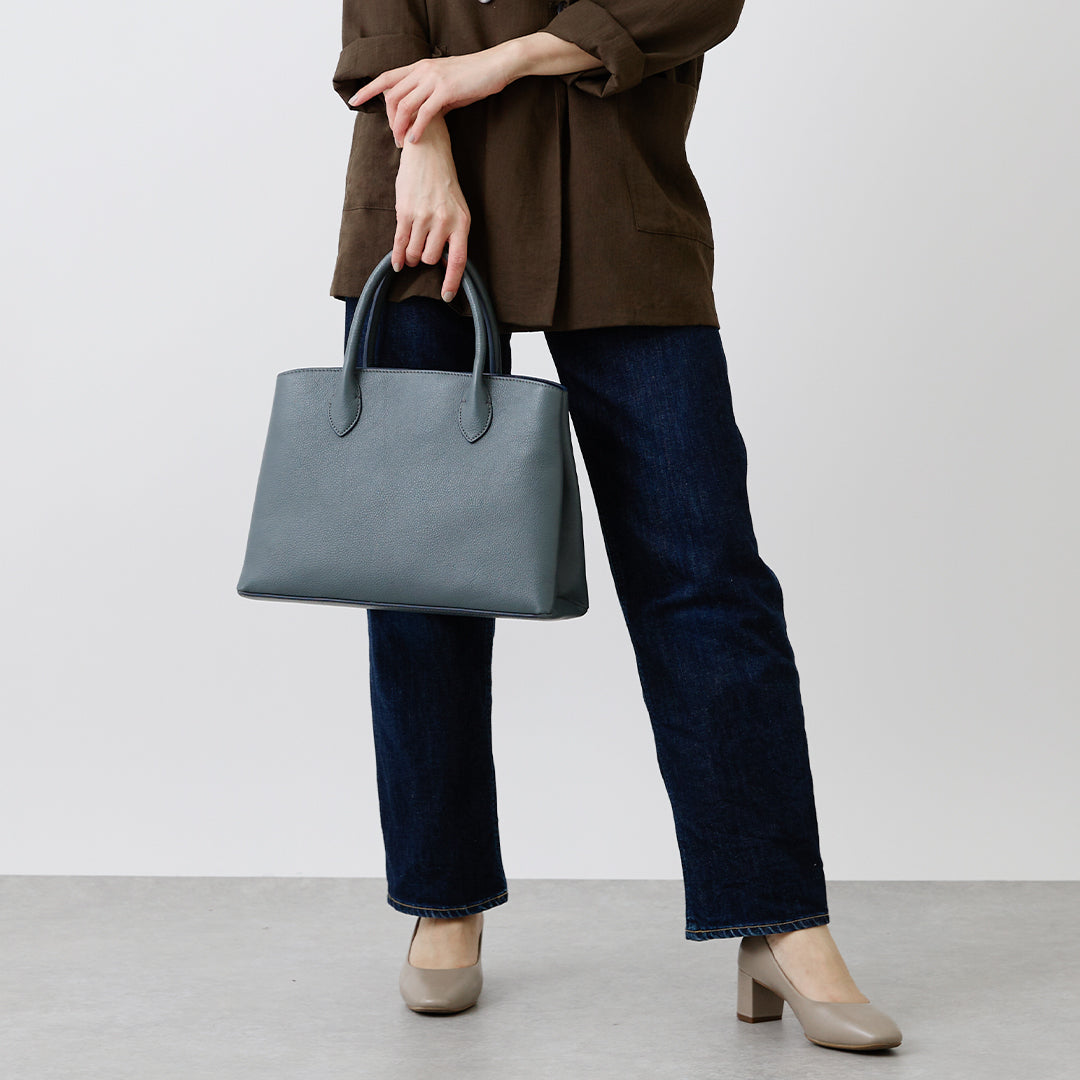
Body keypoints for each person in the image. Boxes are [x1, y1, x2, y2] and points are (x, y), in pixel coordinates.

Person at [331, 0, 902, 1052]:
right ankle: (443, 895)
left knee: (704, 573)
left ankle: (780, 918)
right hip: (424, 194)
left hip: (616, 191)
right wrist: (426, 135)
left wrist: (501, 62)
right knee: (423, 572)